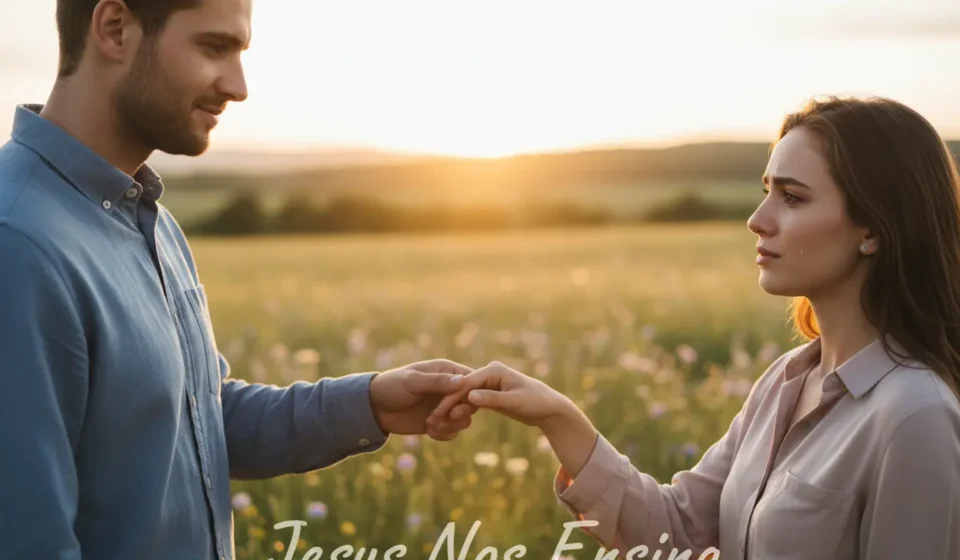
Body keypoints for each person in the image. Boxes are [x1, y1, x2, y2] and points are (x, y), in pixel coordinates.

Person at [0, 1, 478, 559]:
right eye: (214, 47)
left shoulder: (146, 218)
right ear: (114, 28)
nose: (239, 86)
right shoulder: (19, 242)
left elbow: (194, 420)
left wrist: (367, 405)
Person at [432, 95, 960, 559]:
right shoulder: (784, 383)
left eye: (792, 197)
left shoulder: (916, 415)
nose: (758, 218)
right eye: (766, 190)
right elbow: (678, 531)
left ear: (873, 230)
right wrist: (558, 417)